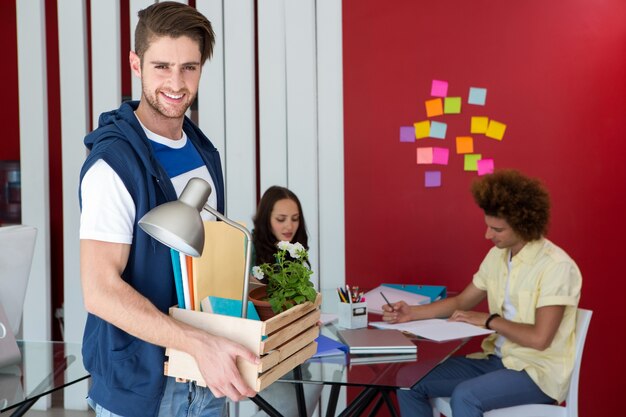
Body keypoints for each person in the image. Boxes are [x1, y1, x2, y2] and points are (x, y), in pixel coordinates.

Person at [78, 3, 258, 417]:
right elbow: (100, 291)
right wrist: (198, 343)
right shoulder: (113, 165)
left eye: (189, 68)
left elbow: (207, 263)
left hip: (203, 375)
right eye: (161, 67)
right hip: (144, 388)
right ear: (136, 64)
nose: (176, 83)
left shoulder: (200, 149)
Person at [383, 170, 582, 417]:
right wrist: (411, 313)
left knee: (466, 396)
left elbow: (539, 339)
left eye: (497, 229)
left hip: (536, 372)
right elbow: (462, 301)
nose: (488, 235)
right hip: (495, 361)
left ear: (523, 225)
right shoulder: (498, 256)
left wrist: (488, 321)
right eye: (488, 226)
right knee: (408, 380)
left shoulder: (556, 266)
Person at [252, 185, 309, 272]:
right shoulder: (249, 247)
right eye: (281, 219)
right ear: (265, 219)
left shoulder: (296, 248)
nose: (290, 226)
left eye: (295, 219)